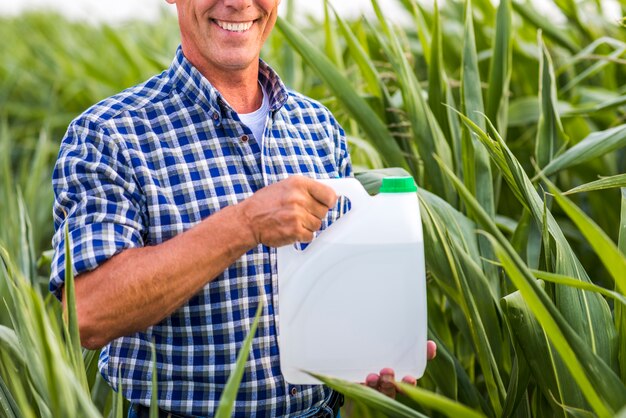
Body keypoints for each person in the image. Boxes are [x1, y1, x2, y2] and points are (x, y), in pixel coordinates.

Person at [50, 0, 436, 416]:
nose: (238, 3)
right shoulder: (109, 134)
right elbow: (87, 312)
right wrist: (246, 222)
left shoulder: (318, 128)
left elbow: (339, 291)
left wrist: (365, 359)